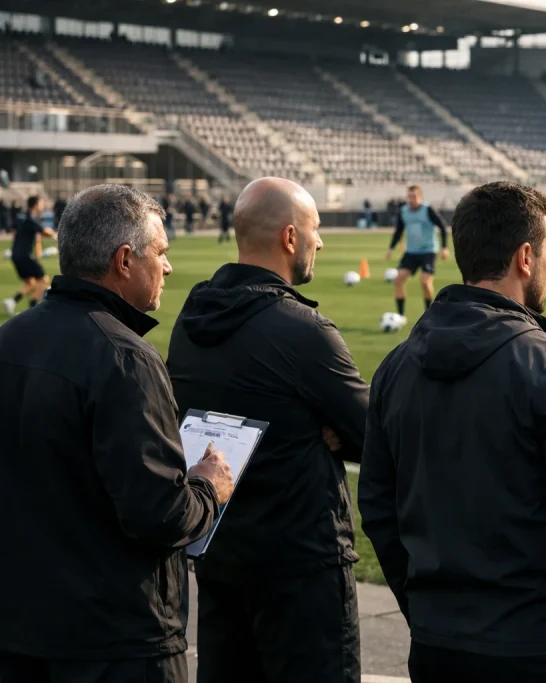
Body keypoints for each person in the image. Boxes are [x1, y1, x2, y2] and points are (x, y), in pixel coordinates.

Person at [360, 181, 546, 683]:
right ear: (526, 258)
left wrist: (426, 613)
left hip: (439, 646)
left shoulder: (395, 367)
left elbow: (379, 509)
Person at [0, 184, 233, 683]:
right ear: (125, 260)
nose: (168, 267)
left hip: (20, 629)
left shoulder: (9, 339)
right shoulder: (124, 357)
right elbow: (160, 513)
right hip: (115, 640)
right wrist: (208, 487)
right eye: (160, 252)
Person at [167, 177, 370, 683]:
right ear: (290, 237)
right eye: (315, 229)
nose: (320, 242)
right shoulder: (304, 331)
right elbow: (377, 433)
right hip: (302, 569)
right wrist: (336, 431)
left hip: (221, 557)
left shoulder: (191, 320)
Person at [385, 185, 448, 322]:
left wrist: (444, 247)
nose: (411, 199)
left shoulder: (428, 209)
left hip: (428, 251)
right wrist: (391, 248)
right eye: (409, 196)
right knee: (399, 279)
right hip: (411, 252)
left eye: (414, 196)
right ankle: (401, 316)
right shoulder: (404, 211)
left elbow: (442, 226)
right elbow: (399, 231)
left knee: (425, 282)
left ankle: (429, 315)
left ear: (420, 197)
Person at [4, 196, 56, 315]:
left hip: (15, 255)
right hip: (25, 255)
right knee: (43, 280)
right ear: (36, 205)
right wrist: (55, 235)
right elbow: (44, 231)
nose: (43, 205)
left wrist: (37, 250)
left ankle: (12, 301)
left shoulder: (20, 216)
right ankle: (32, 308)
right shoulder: (32, 217)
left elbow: (21, 232)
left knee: (31, 283)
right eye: (41, 203)